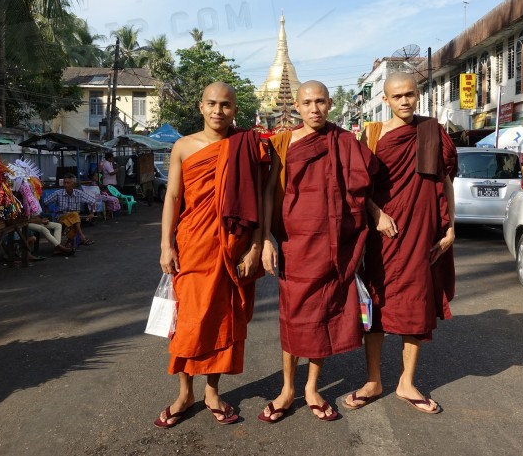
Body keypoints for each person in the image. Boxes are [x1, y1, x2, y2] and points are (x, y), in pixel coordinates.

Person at [259, 80, 375, 423]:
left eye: (321, 102)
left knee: (322, 313)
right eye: (307, 102)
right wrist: (265, 237)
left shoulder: (344, 141)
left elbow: (359, 188)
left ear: (330, 104)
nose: (314, 109)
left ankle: (311, 387)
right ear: (296, 106)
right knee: (294, 314)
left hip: (333, 243)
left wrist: (377, 215)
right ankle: (287, 388)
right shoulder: (283, 143)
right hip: (295, 243)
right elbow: (269, 192)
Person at [343, 72, 457, 415]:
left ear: (418, 95)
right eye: (397, 96)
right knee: (378, 303)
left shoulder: (432, 131)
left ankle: (407, 382)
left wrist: (451, 226)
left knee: (416, 303)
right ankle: (374, 380)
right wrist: (376, 214)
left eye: (410, 94)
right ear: (386, 100)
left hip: (423, 232)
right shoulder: (374, 135)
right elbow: (360, 187)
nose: (405, 101)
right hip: (385, 234)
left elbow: (445, 181)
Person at [155, 82, 264, 429]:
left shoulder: (247, 146)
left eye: (226, 105)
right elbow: (173, 197)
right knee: (187, 321)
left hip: (233, 245)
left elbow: (262, 199)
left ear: (235, 110)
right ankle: (185, 392)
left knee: (225, 317)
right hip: (193, 244)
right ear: (201, 107)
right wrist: (166, 244)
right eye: (212, 104)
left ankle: (212, 391)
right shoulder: (183, 147)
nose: (219, 111)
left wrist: (257, 245)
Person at [42, 174, 96, 246]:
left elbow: (93, 201)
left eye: (68, 183)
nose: (66, 185)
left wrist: (92, 213)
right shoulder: (58, 193)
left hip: (74, 219)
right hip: (61, 217)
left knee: (74, 218)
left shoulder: (79, 193)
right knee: (75, 215)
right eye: (65, 183)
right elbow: (45, 202)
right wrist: (47, 214)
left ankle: (69, 242)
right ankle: (82, 236)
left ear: (73, 184)